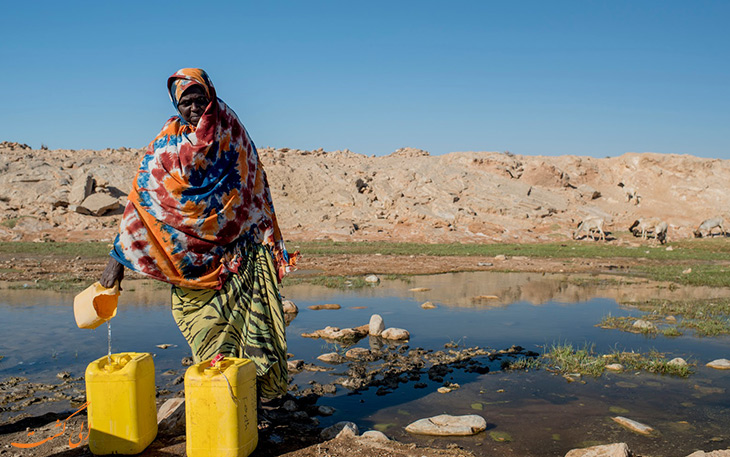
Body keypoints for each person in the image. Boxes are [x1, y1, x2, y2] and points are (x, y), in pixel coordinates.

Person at [100, 68, 298, 400]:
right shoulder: (165, 145)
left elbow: (252, 188)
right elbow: (143, 204)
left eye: (200, 100)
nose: (194, 108)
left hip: (241, 256)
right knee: (206, 333)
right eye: (186, 103)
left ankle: (250, 402)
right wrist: (117, 261)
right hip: (193, 266)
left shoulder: (231, 131)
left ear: (211, 96)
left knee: (252, 332)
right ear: (176, 105)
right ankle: (224, 401)